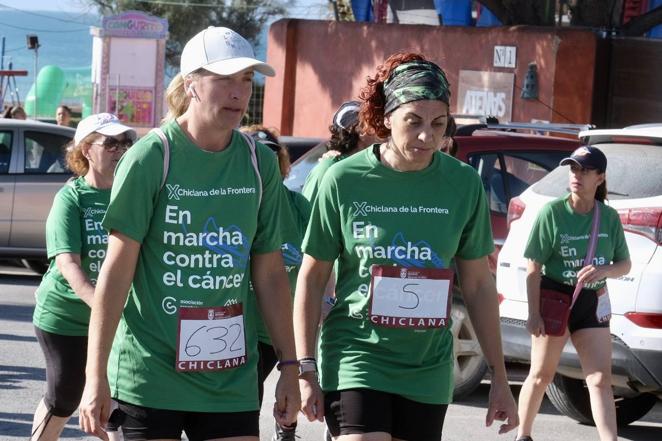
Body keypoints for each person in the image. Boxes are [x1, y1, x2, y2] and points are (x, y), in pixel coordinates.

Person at [78, 26, 300, 441]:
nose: (239, 92)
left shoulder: (259, 163)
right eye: (224, 79)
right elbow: (115, 273)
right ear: (191, 84)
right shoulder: (151, 157)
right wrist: (95, 377)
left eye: (246, 80)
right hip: (150, 374)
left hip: (229, 379)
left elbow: (269, 274)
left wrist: (291, 367)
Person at [293, 52, 518, 441]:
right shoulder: (343, 179)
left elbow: (480, 286)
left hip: (427, 364)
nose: (427, 136)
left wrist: (500, 376)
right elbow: (311, 279)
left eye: (438, 123)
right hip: (356, 353)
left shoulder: (462, 184)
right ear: (386, 118)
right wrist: (305, 369)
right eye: (413, 122)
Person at [30, 113, 135, 441]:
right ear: (87, 149)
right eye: (111, 143)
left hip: (119, 318)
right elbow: (68, 264)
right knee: (65, 398)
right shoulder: (71, 198)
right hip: (66, 316)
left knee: (122, 399)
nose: (121, 150)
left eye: (126, 143)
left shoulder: (132, 194)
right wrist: (103, 306)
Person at [515, 146, 631, 441]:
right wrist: (533, 313)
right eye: (573, 169)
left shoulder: (608, 217)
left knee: (600, 379)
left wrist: (603, 271)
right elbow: (533, 267)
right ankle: (523, 435)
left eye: (585, 170)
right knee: (541, 375)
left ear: (600, 177)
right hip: (554, 298)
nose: (577, 176)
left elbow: (624, 264)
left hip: (591, 300)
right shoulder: (552, 212)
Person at [242, 125, 311, 441]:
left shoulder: (298, 206)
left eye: (270, 155)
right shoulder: (230, 203)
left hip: (278, 330)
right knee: (242, 409)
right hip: (235, 330)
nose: (261, 163)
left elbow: (321, 263)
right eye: (251, 156)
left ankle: (286, 429)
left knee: (281, 397)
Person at [302, 100, 376, 202]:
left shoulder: (373, 168)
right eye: (375, 124)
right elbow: (307, 213)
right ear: (362, 130)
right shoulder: (327, 168)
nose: (383, 131)